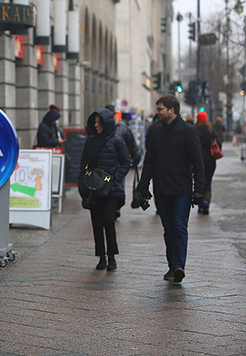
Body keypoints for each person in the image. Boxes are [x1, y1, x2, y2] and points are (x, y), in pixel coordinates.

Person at [135, 95, 205, 283]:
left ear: (171, 110)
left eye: (160, 109)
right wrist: (142, 186)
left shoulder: (188, 131)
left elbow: (198, 162)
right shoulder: (154, 130)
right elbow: (149, 160)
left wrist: (199, 190)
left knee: (180, 225)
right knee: (169, 228)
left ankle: (179, 265)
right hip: (162, 187)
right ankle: (172, 266)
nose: (157, 112)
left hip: (182, 188)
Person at [78, 108, 131, 270]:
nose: (96, 125)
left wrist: (116, 178)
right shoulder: (91, 141)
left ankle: (112, 257)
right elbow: (84, 162)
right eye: (94, 122)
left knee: (108, 220)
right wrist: (83, 180)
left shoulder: (117, 141)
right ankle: (101, 257)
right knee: (97, 223)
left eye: (99, 122)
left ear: (106, 123)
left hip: (112, 189)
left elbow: (126, 162)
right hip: (94, 188)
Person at [195, 112, 221, 215]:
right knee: (208, 183)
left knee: (199, 182)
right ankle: (206, 207)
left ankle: (200, 205)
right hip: (210, 160)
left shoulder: (195, 131)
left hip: (198, 161)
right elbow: (219, 143)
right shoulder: (211, 131)